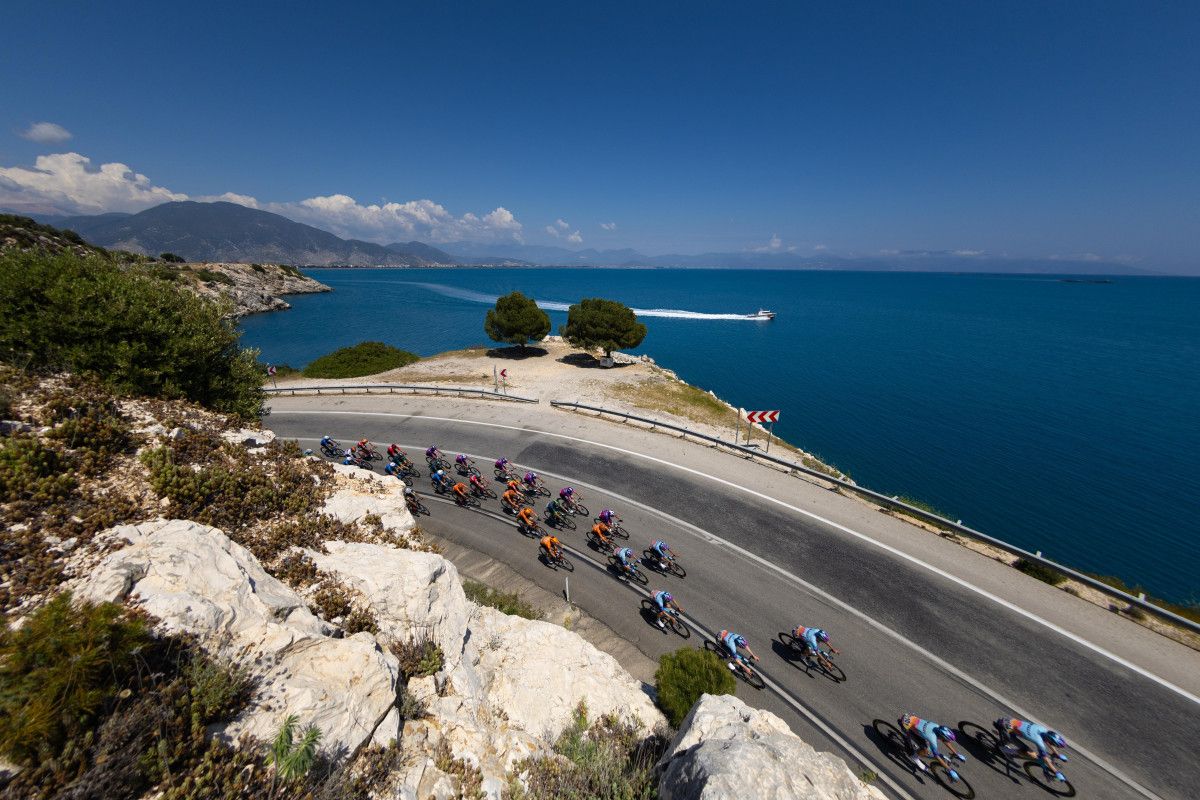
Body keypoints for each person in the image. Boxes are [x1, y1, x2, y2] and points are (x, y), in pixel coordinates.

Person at [994, 718, 1067, 780]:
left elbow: (1047, 741)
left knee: (1022, 744)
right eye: (1054, 745)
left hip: (1008, 720)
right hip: (1006, 728)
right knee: (1030, 753)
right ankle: (1004, 750)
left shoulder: (1043, 729)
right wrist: (1056, 772)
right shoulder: (1038, 741)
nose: (1053, 745)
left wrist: (1057, 754)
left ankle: (1004, 741)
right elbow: (1045, 759)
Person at [900, 714, 966, 774]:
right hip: (906, 725)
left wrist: (956, 753)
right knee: (926, 750)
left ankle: (917, 744)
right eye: (947, 739)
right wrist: (949, 769)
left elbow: (945, 741)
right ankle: (914, 757)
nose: (948, 741)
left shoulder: (937, 726)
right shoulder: (932, 738)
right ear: (941, 737)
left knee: (925, 744)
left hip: (909, 717)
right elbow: (936, 756)